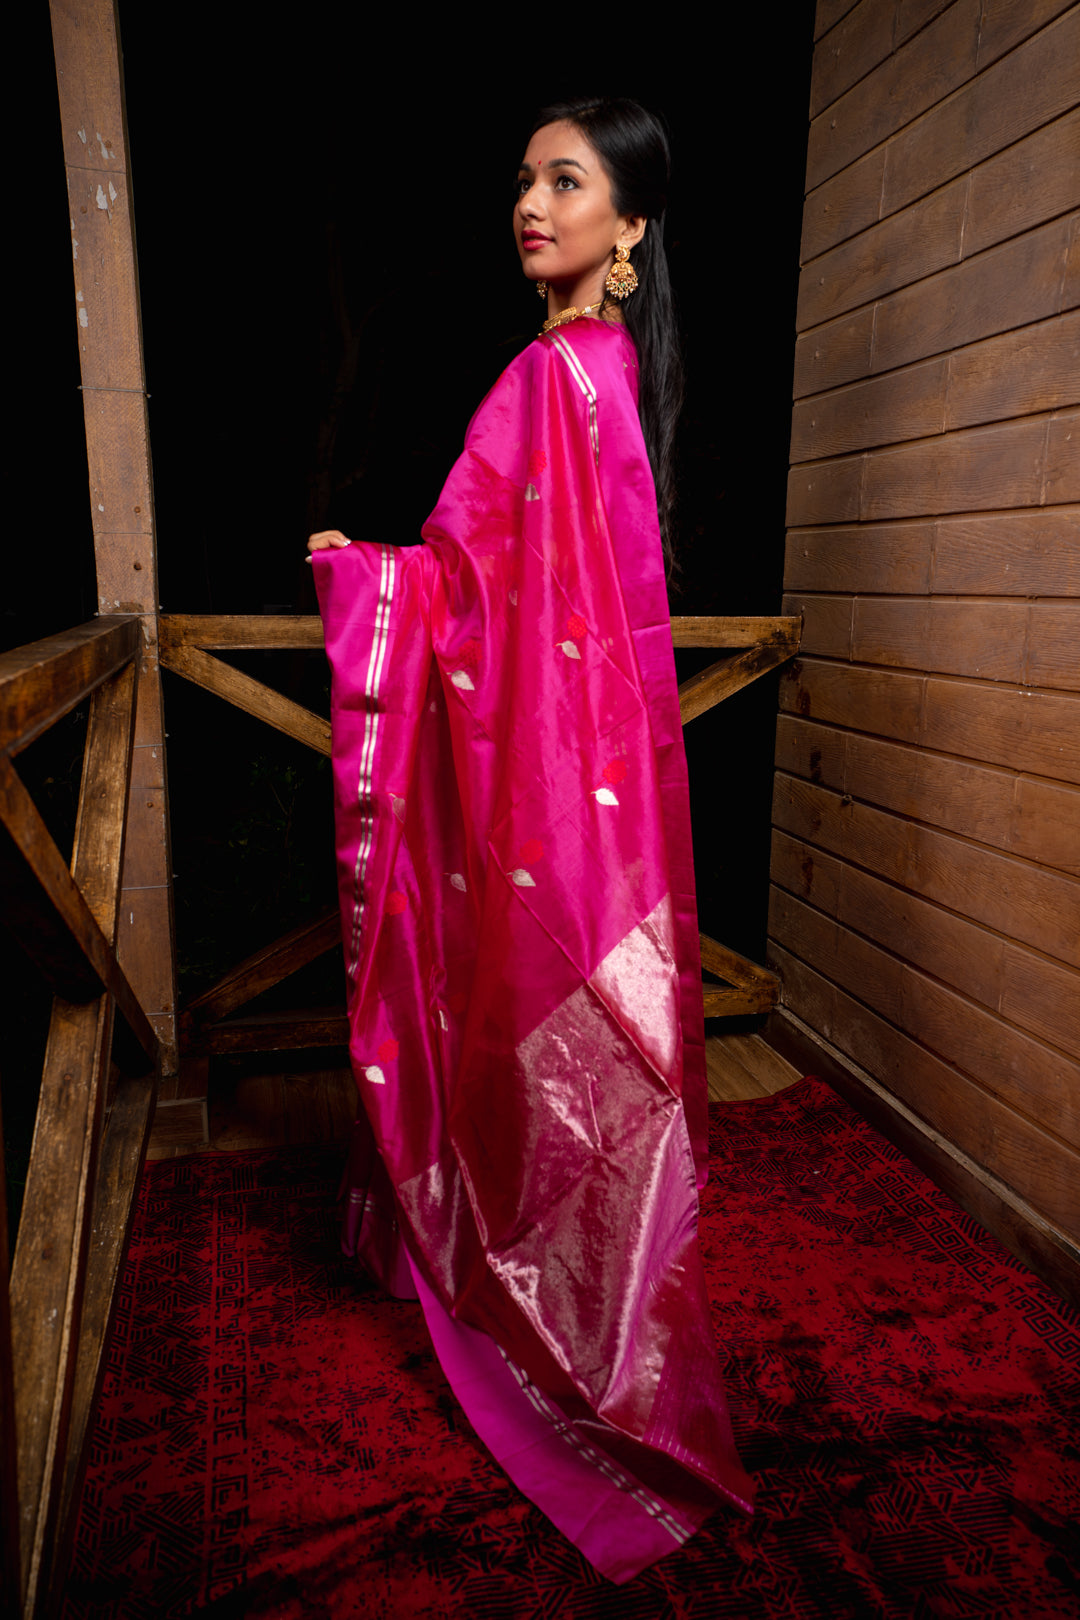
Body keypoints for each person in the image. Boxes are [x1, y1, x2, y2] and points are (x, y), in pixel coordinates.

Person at [307, 97, 753, 1583]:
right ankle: (597, 1305)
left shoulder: (566, 375)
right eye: (524, 179)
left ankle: (575, 1333)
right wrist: (409, 578)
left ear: (630, 229)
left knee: (548, 1032)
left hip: (559, 791)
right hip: (583, 781)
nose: (532, 203)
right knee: (576, 1040)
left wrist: (371, 582)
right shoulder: (595, 371)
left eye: (568, 183)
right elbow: (518, 597)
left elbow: (476, 599)